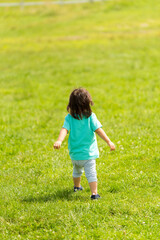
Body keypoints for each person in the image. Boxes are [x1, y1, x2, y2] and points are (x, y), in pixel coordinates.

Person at [54, 88, 115, 200]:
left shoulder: (69, 118)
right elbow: (98, 130)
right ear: (87, 104)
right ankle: (94, 194)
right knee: (91, 174)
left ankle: (77, 187)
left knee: (77, 170)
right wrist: (109, 141)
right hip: (88, 154)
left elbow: (64, 130)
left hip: (75, 154)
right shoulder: (90, 117)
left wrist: (59, 140)